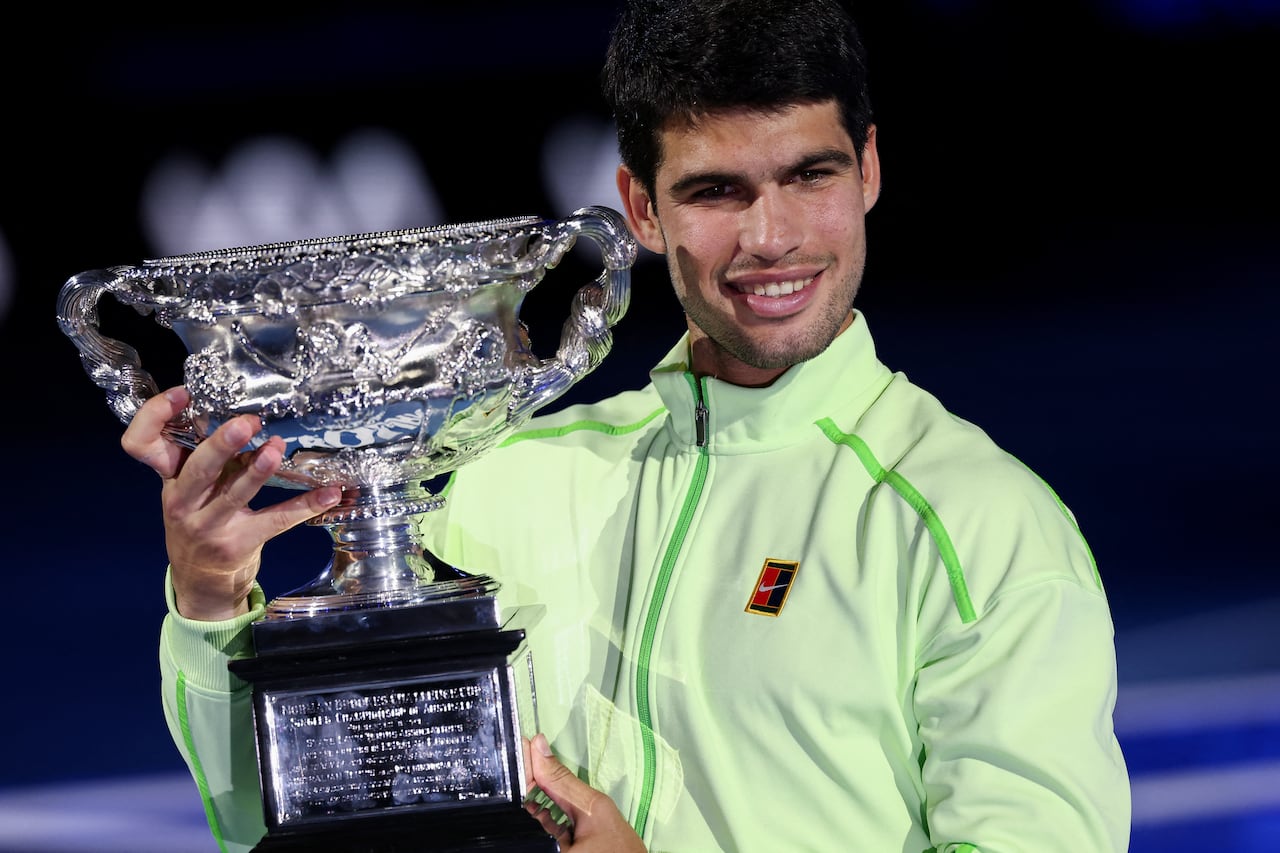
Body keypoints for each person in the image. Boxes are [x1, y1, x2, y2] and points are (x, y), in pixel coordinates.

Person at [123, 1, 1132, 850]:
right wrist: (213, 603)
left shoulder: (975, 523)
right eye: (713, 192)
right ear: (638, 211)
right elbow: (286, 825)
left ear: (866, 170)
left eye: (808, 176)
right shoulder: (503, 481)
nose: (768, 236)